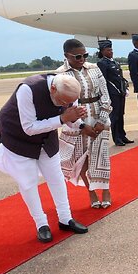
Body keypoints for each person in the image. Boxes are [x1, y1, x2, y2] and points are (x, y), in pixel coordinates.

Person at [0, 72, 90, 242]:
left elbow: (68, 117)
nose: (66, 104)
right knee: (28, 183)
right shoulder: (28, 89)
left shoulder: (69, 90)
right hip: (18, 138)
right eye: (63, 101)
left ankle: (65, 218)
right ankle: (41, 224)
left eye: (70, 102)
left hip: (46, 138)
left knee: (56, 177)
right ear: (52, 88)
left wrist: (79, 122)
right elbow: (29, 127)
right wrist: (63, 118)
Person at [54, 39, 114, 209]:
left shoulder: (94, 69)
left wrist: (102, 120)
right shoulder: (60, 75)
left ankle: (106, 190)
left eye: (85, 55)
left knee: (101, 156)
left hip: (98, 118)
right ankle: (91, 191)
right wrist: (82, 126)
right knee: (81, 159)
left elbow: (105, 95)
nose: (82, 59)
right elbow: (62, 103)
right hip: (76, 122)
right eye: (78, 56)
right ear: (67, 56)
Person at [95, 40, 132, 146]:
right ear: (102, 52)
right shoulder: (102, 63)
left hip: (120, 92)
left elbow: (120, 78)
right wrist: (106, 96)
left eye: (111, 49)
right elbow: (104, 81)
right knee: (115, 116)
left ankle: (122, 135)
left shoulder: (115, 62)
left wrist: (125, 88)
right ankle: (117, 138)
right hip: (112, 94)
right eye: (108, 50)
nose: (111, 51)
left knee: (121, 114)